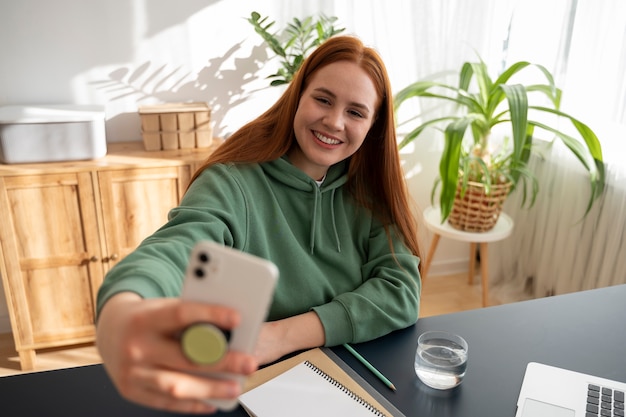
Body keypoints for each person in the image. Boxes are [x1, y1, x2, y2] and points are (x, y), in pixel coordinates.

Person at [96, 35, 422, 414]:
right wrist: (123, 307)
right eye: (323, 99)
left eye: (355, 112)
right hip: (252, 382)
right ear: (297, 95)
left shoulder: (372, 188)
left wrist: (279, 335)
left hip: (350, 374)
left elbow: (400, 290)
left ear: (373, 126)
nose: (334, 122)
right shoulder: (232, 181)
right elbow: (179, 247)